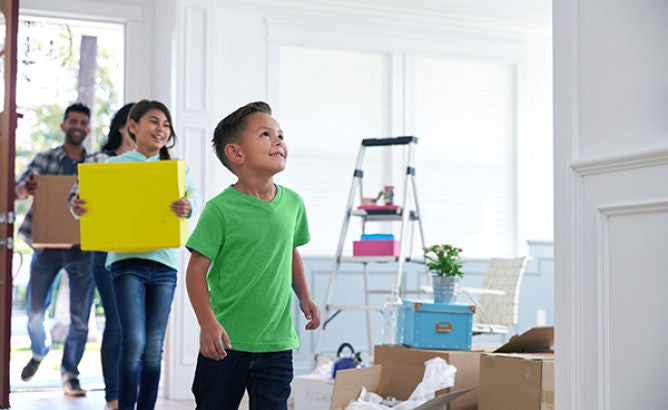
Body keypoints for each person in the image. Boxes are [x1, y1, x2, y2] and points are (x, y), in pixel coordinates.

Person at [184, 101, 321, 409]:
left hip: (277, 342)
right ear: (236, 153)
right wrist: (207, 323)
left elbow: (290, 252)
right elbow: (195, 272)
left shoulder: (293, 204)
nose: (279, 141)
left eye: (281, 135)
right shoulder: (220, 209)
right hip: (225, 342)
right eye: (265, 134)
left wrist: (305, 296)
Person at [71, 99, 201, 410]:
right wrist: (77, 207)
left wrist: (188, 205)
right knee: (135, 343)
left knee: (154, 346)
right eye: (154, 121)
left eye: (166, 125)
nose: (161, 129)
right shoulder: (113, 166)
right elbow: (84, 205)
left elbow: (195, 196)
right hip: (125, 264)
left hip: (165, 266)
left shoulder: (175, 168)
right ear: (133, 126)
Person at [14, 102, 94, 397]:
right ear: (63, 126)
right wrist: (26, 188)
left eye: (82, 122)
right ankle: (39, 350)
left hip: (82, 248)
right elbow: (17, 190)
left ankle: (70, 374)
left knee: (80, 318)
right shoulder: (44, 158)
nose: (76, 126)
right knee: (35, 312)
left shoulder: (96, 164)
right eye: (72, 121)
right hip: (46, 246)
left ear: (87, 129)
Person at [68, 102, 136, 410]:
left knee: (137, 327)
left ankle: (132, 393)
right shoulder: (98, 159)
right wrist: (77, 205)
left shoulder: (152, 164)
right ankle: (114, 396)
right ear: (125, 126)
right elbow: (74, 199)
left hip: (142, 252)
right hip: (105, 251)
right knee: (118, 324)